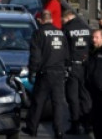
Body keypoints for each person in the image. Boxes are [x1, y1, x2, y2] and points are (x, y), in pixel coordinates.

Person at [24, 10, 68, 139]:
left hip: (45, 72)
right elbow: (66, 54)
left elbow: (35, 55)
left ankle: (32, 128)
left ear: (40, 20)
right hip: (59, 72)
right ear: (51, 20)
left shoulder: (38, 33)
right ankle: (59, 130)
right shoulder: (60, 33)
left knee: (38, 101)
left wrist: (32, 70)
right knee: (58, 103)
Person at [62, 10, 93, 136]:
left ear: (67, 18)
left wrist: (65, 66)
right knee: (85, 95)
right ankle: (88, 124)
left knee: (72, 96)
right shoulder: (86, 28)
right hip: (85, 66)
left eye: (63, 20)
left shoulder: (67, 29)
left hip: (73, 66)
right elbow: (92, 46)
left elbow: (64, 49)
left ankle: (75, 124)